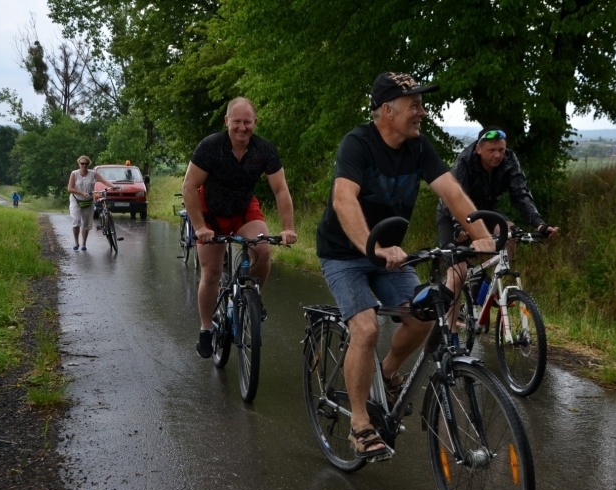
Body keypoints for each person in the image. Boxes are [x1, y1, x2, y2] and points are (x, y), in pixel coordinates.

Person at [316, 71, 495, 460]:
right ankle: (360, 424)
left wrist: (483, 237)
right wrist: (376, 247)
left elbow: (452, 193)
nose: (422, 112)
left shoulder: (418, 148)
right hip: (344, 254)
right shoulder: (358, 144)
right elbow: (344, 200)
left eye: (421, 104)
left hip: (389, 254)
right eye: (414, 104)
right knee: (365, 327)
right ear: (387, 110)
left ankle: (384, 373)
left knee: (423, 314)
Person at [182, 96, 298, 359]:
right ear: (227, 121)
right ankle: (206, 328)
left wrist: (288, 228)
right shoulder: (211, 147)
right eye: (237, 122)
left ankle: (250, 298)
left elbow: (280, 190)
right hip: (210, 212)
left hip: (244, 209)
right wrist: (199, 227)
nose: (242, 127)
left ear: (255, 122)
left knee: (263, 250)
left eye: (247, 122)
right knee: (212, 273)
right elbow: (189, 186)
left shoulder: (264, 150)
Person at [436, 126, 560, 346]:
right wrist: (459, 230)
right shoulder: (465, 161)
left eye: (501, 150)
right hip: (452, 214)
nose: (497, 155)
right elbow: (454, 197)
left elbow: (521, 194)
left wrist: (539, 224)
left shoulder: (509, 160)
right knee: (458, 273)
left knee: (510, 234)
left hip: (485, 212)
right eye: (492, 150)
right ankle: (451, 332)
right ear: (479, 149)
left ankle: (486, 288)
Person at [67, 156, 120, 251]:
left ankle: (84, 244)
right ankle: (76, 242)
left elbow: (104, 181)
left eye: (86, 164)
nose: (84, 165)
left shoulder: (93, 173)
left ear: (89, 164)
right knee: (76, 221)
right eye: (82, 163)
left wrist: (113, 186)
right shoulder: (74, 174)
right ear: (79, 164)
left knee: (86, 223)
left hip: (88, 200)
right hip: (76, 200)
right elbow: (70, 189)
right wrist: (82, 193)